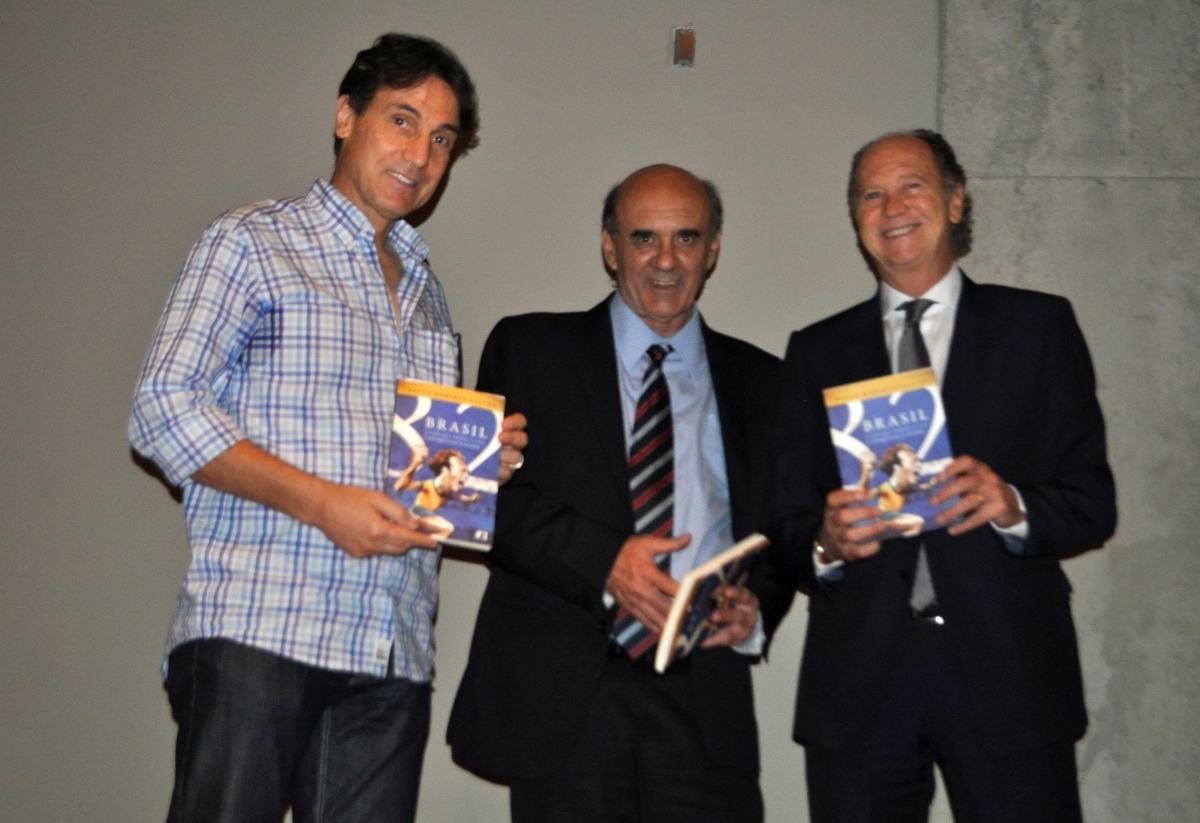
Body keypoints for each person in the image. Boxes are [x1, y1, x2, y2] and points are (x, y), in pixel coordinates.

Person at [128, 33, 526, 823]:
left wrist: (477, 469)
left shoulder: (428, 293)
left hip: (391, 649)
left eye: (442, 138)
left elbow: (414, 478)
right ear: (346, 116)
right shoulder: (253, 241)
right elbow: (162, 406)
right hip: (261, 628)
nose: (421, 153)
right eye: (403, 121)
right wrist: (321, 503)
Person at [768, 129, 1117, 822]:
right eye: (871, 193)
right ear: (857, 221)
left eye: (912, 185)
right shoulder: (815, 351)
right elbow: (783, 520)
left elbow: (1092, 501)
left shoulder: (1038, 327)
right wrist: (826, 543)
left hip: (1009, 672)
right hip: (862, 680)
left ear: (955, 202)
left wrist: (1011, 502)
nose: (891, 205)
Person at [447, 164, 794, 822]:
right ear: (610, 246)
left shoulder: (766, 382)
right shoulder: (528, 348)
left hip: (705, 696)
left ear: (713, 248)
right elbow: (484, 504)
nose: (666, 259)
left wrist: (757, 606)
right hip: (568, 696)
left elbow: (781, 534)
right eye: (643, 238)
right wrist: (607, 560)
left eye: (687, 238)